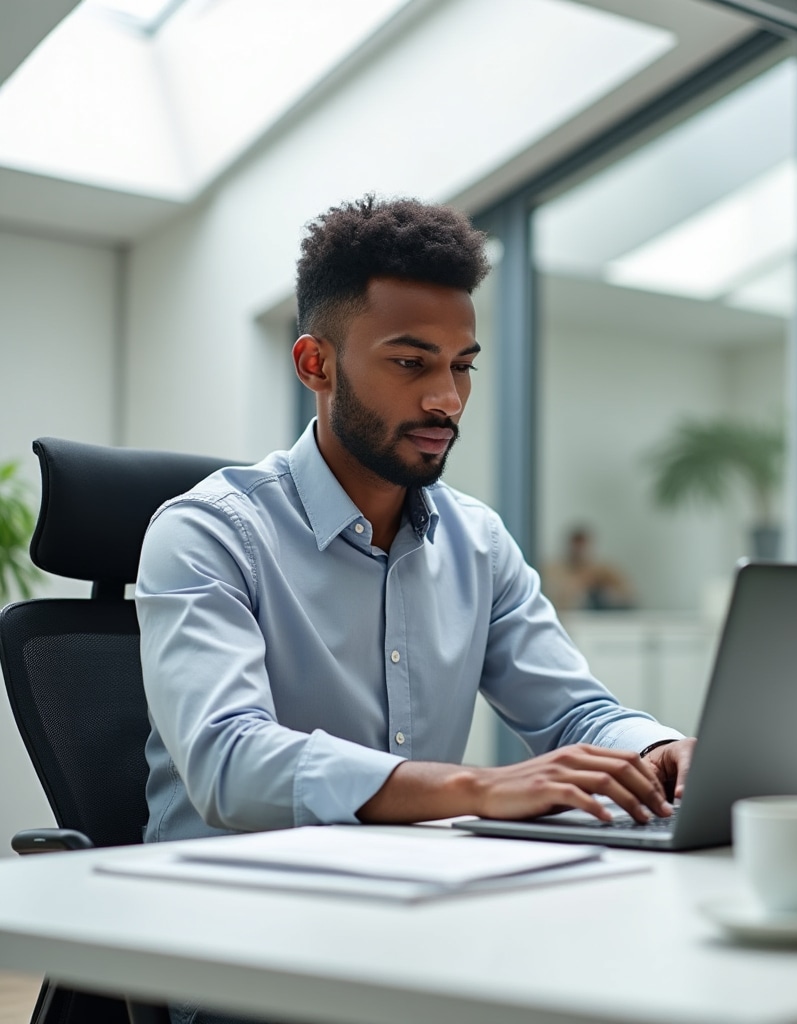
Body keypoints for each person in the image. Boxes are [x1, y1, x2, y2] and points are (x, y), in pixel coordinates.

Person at [137, 195, 694, 853]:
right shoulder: (208, 534)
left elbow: (574, 712)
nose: (447, 400)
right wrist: (476, 789)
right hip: (216, 913)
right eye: (411, 362)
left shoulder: (478, 543)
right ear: (316, 364)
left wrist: (661, 747)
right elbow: (227, 762)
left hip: (410, 893)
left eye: (462, 366)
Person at [543, 524, 636, 611]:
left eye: (582, 546)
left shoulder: (601, 570)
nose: (579, 551)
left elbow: (628, 593)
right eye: (576, 546)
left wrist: (602, 591)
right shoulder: (555, 569)